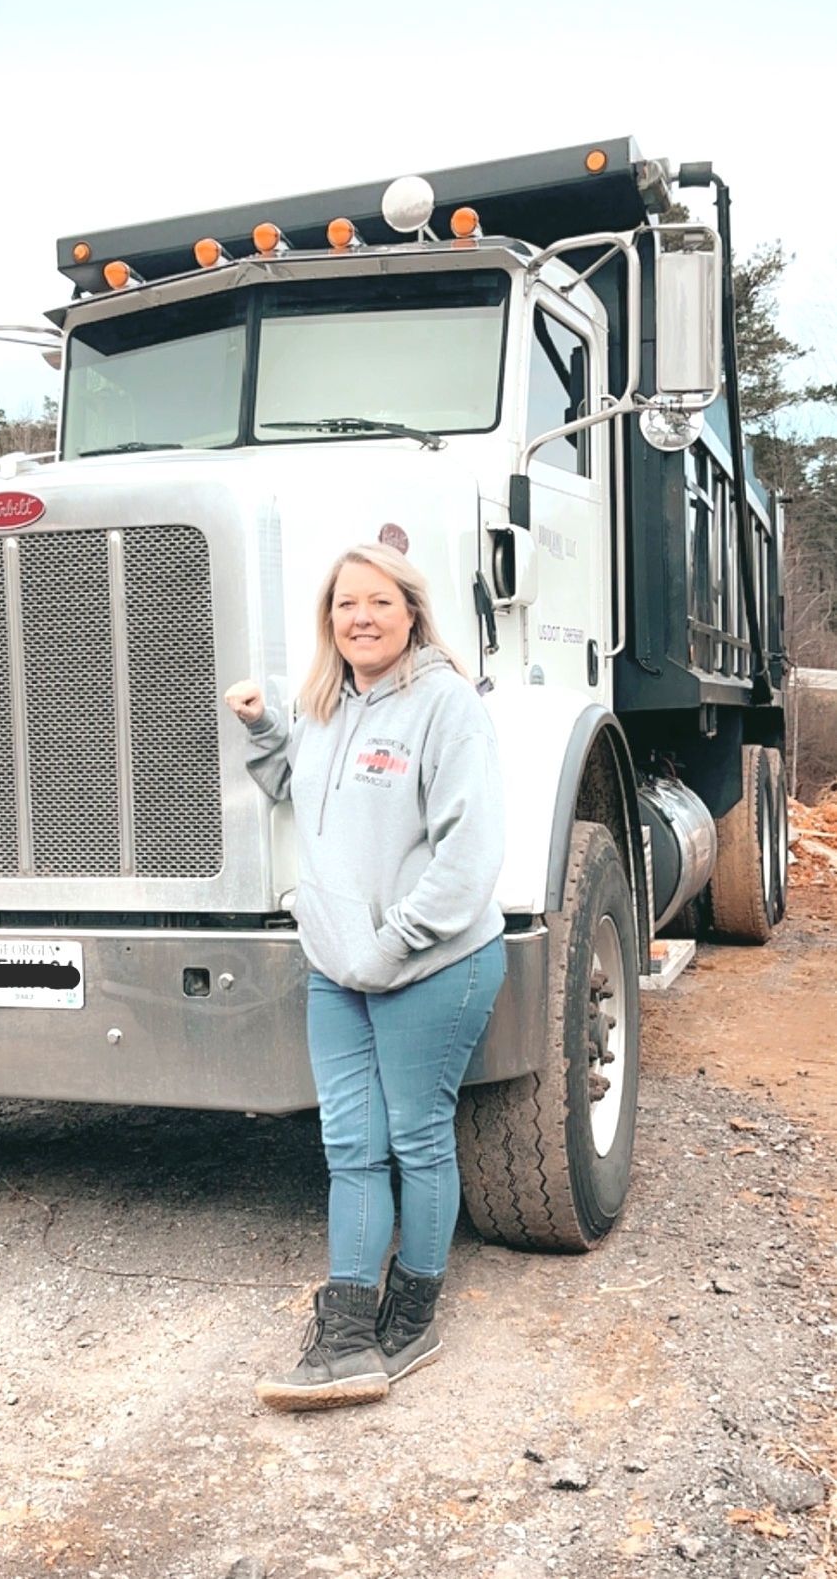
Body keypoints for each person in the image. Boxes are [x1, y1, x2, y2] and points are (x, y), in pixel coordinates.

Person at [224, 542, 506, 1412]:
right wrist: (264, 727)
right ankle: (347, 1333)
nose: (362, 618)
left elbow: (468, 858)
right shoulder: (325, 705)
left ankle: (412, 1319)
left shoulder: (446, 705)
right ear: (330, 619)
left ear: (411, 612)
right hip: (337, 969)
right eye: (347, 604)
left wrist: (390, 949)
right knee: (350, 1144)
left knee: (418, 1136)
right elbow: (294, 790)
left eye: (379, 602)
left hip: (430, 964)